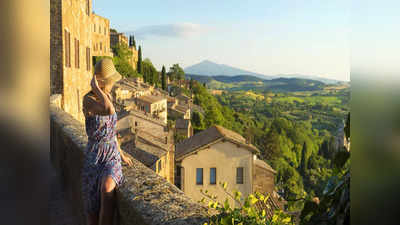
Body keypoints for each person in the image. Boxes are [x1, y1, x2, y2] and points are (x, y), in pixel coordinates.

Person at [81, 58, 133, 225]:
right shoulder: (88, 100)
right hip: (94, 157)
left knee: (107, 188)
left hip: (111, 155)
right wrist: (96, 88)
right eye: (111, 81)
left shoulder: (108, 96)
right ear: (102, 82)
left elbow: (112, 132)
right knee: (92, 212)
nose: (113, 84)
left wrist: (122, 155)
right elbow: (108, 111)